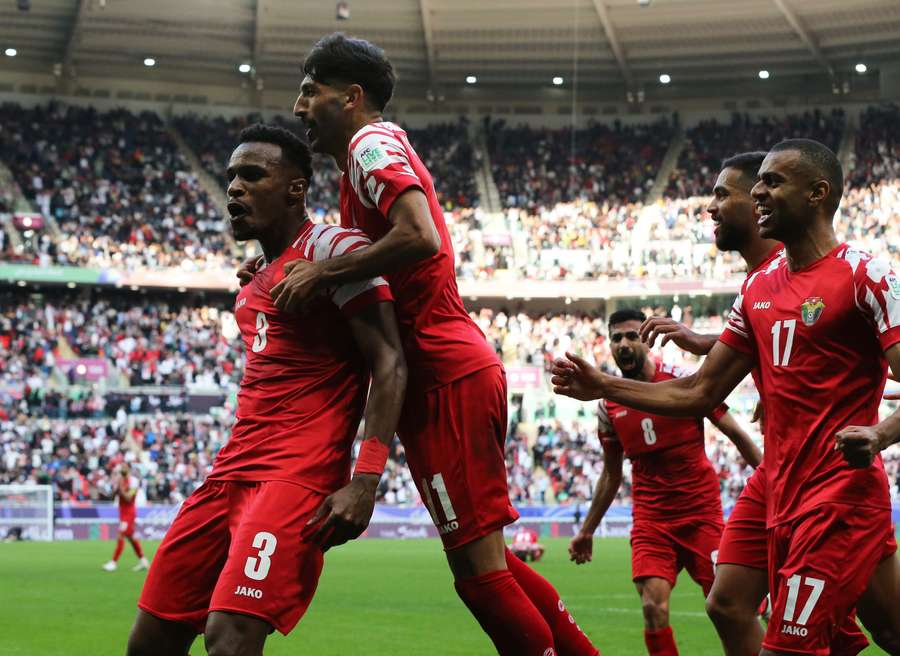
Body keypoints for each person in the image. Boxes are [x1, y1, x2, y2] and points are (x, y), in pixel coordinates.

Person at [257, 32, 600, 656]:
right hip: (442, 372)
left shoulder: (369, 142)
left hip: (445, 371)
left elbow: (421, 237)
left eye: (311, 92)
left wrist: (324, 272)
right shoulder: (360, 165)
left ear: (352, 97)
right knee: (484, 563)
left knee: (479, 578)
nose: (300, 106)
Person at [552, 139, 900, 655]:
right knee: (730, 604)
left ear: (818, 194)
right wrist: (604, 385)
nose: (759, 191)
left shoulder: (868, 275)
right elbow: (700, 390)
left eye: (773, 182)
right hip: (776, 484)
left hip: (835, 492)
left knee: (792, 645)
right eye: (757, 182)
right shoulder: (757, 288)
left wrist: (880, 433)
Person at [126, 124, 407, 656]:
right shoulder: (253, 284)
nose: (235, 188)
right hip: (227, 475)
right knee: (150, 640)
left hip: (293, 479)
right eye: (231, 177)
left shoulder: (332, 250)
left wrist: (365, 479)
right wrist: (261, 271)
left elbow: (389, 360)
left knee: (230, 637)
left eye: (253, 175)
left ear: (296, 189)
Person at [569, 308, 761, 656]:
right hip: (652, 522)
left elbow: (736, 434)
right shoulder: (609, 405)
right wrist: (586, 530)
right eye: (616, 338)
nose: (623, 344)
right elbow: (611, 474)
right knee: (652, 609)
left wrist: (775, 478)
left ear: (645, 338)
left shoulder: (685, 381)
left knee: (731, 609)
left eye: (630, 335)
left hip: (701, 515)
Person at [103, 462, 149, 572]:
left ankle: (113, 562)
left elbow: (129, 498)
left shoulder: (133, 481)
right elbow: (113, 496)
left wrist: (121, 488)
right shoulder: (119, 480)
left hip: (129, 513)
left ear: (128, 469)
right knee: (131, 538)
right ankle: (143, 561)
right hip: (122, 512)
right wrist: (115, 489)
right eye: (121, 467)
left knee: (120, 534)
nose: (122, 468)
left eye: (124, 467)